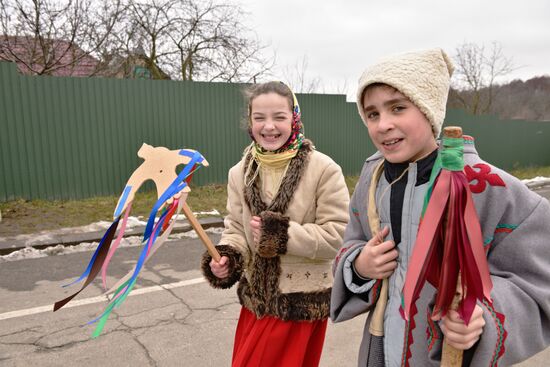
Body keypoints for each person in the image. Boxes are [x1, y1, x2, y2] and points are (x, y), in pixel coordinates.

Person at [330, 48, 550, 366]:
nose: (383, 124)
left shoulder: (484, 185)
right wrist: (360, 266)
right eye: (373, 114)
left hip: (441, 354)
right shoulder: (371, 176)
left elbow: (537, 278)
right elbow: (353, 239)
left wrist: (481, 313)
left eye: (398, 108)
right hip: (378, 347)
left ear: (429, 109)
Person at [201, 81, 350, 367]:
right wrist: (227, 258)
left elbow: (338, 235)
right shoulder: (238, 172)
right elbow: (235, 228)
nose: (269, 126)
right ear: (250, 121)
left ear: (294, 118)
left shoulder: (324, 169)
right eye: (260, 118)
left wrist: (279, 235)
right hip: (256, 304)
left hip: (299, 305)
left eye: (279, 117)